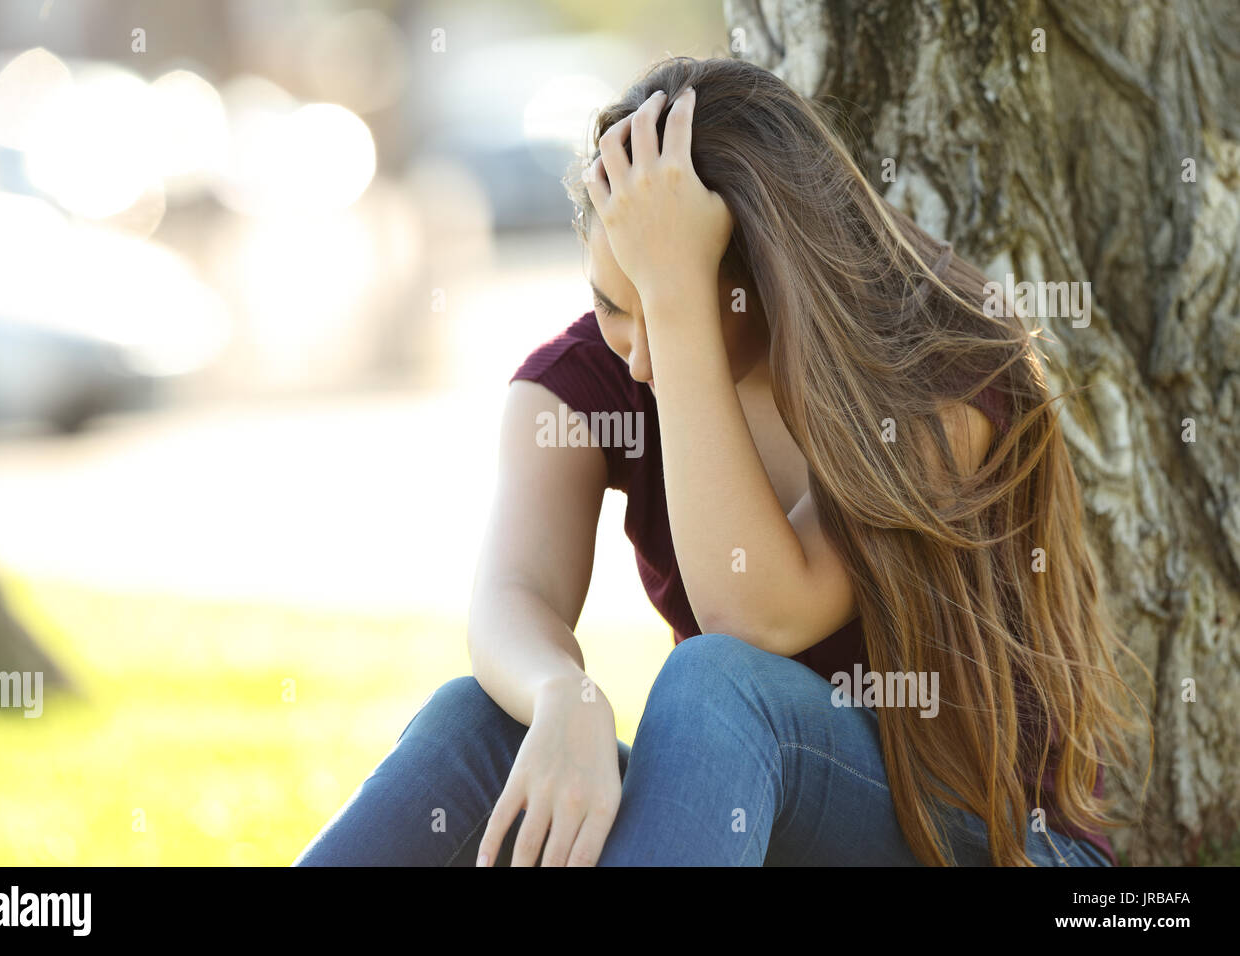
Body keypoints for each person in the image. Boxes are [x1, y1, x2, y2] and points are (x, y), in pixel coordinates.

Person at [294, 56, 1150, 867]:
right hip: (764, 828)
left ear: (774, 282)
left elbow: (759, 619)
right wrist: (565, 694)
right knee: (474, 720)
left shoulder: (943, 371)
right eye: (609, 302)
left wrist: (677, 311)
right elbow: (512, 597)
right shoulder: (583, 384)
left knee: (715, 681)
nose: (634, 356)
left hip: (989, 842)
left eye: (667, 304)